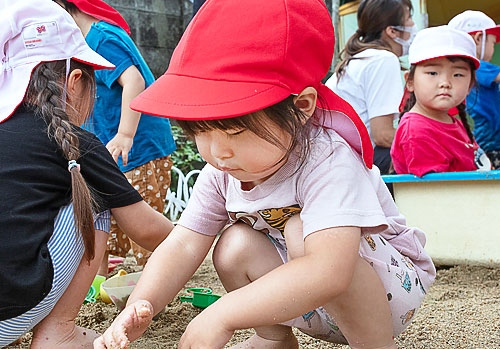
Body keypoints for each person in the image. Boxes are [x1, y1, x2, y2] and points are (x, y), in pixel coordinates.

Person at [94, 0, 436, 348]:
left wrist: (223, 313)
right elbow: (183, 243)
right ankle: (272, 339)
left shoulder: (327, 157)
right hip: (305, 297)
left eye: (236, 131)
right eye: (200, 131)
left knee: (300, 229)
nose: (217, 151)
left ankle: (376, 345)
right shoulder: (223, 169)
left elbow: (330, 271)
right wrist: (141, 304)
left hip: (386, 290)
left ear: (302, 107)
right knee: (232, 246)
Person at [0, 1, 173, 347]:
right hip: (9, 317)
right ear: (76, 80)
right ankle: (59, 330)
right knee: (94, 197)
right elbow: (149, 231)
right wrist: (204, 234)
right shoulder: (77, 144)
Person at [55, 0, 177, 274]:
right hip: (112, 149)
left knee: (142, 223)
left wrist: (125, 134)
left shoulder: (102, 37)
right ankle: (99, 282)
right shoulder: (86, 41)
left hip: (137, 147)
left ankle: (157, 281)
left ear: (64, 9)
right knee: (102, 214)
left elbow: (134, 81)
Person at [326, 0, 417, 175]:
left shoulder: (362, 58)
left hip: (337, 158)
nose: (413, 24)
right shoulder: (383, 59)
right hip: (351, 162)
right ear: (391, 31)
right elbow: (382, 135)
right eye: (409, 18)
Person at [391, 26, 490, 177]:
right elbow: (437, 194)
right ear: (410, 81)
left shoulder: (453, 123)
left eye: (457, 74)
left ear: (470, 86)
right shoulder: (416, 130)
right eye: (433, 73)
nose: (445, 83)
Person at [449, 10, 500, 169]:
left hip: (486, 139)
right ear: (478, 38)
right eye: (493, 42)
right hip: (493, 141)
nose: (493, 47)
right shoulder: (478, 66)